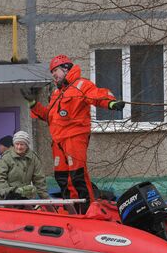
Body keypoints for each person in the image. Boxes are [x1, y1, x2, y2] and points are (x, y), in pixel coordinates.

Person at [20, 54, 124, 211]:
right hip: (58, 141)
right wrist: (33, 104)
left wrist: (110, 103)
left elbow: (96, 95)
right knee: (61, 178)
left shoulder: (81, 85)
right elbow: (49, 116)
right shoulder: (57, 93)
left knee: (78, 176)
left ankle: (89, 210)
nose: (54, 75)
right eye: (52, 72)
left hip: (74, 137)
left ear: (66, 69)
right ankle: (72, 210)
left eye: (55, 71)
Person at [0, 131, 49, 200]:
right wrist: (12, 192)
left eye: (22, 144)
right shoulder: (7, 157)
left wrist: (46, 199)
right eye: (17, 144)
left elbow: (39, 180)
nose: (19, 147)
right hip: (2, 196)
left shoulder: (33, 158)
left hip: (21, 197)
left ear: (27, 145)